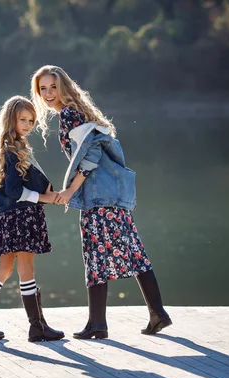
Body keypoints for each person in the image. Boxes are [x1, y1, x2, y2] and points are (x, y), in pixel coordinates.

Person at [30, 65, 172, 339]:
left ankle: (99, 323)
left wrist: (70, 191)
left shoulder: (70, 114)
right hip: (109, 196)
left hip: (97, 197)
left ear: (63, 87)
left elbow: (92, 153)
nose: (48, 93)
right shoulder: (76, 111)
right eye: (42, 89)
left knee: (95, 255)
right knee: (133, 251)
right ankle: (157, 313)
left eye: (52, 87)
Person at [0, 95, 65, 343]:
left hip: (11, 218)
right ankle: (37, 327)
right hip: (21, 218)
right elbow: (13, 191)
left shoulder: (12, 148)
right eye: (22, 119)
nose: (27, 124)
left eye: (31, 121)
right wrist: (44, 198)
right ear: (10, 119)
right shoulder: (12, 151)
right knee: (26, 269)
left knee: (5, 269)